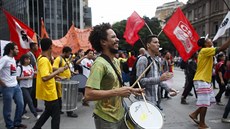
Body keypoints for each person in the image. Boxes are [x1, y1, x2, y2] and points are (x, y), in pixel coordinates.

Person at [84, 23, 144, 129]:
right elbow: (88, 95)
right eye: (113, 37)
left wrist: (131, 90)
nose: (117, 39)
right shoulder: (99, 64)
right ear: (103, 42)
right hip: (106, 118)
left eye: (116, 36)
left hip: (120, 112)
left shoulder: (116, 61)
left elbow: (115, 86)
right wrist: (117, 92)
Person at [189, 35, 230, 129]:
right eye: (208, 40)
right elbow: (223, 47)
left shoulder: (207, 52)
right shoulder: (205, 50)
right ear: (205, 44)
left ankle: (194, 114)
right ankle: (201, 124)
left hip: (205, 80)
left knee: (208, 102)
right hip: (201, 79)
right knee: (204, 103)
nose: (211, 40)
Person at [32, 38, 67, 129]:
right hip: (49, 93)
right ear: (50, 47)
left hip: (48, 91)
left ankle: (36, 127)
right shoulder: (44, 60)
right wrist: (58, 70)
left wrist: (57, 76)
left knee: (48, 112)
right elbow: (45, 77)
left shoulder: (42, 58)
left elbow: (47, 73)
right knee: (56, 116)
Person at [136, 35, 178, 110]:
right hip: (145, 100)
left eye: (158, 42)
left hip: (156, 100)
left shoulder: (157, 61)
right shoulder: (143, 60)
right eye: (155, 42)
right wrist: (159, 79)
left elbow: (159, 81)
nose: (158, 44)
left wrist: (168, 89)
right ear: (148, 45)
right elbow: (140, 81)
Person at [0, 42, 27, 129]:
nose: (18, 51)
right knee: (7, 109)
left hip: (15, 86)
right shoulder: (4, 59)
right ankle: (9, 125)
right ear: (11, 50)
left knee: (21, 104)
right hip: (7, 87)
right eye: (16, 49)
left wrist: (15, 80)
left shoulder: (13, 59)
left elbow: (13, 72)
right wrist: (1, 82)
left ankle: (17, 122)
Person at [53, 46, 78, 117]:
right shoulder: (58, 59)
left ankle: (60, 110)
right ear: (65, 52)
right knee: (66, 97)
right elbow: (54, 68)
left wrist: (72, 72)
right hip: (61, 81)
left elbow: (66, 68)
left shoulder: (64, 59)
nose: (69, 55)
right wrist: (62, 70)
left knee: (64, 97)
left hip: (66, 80)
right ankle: (69, 112)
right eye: (69, 53)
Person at [17, 54, 40, 120]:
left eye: (29, 59)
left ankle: (22, 113)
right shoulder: (19, 67)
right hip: (23, 87)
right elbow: (17, 78)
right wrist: (26, 77)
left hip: (30, 86)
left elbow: (33, 73)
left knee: (25, 101)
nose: (28, 60)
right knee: (30, 100)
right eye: (26, 59)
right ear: (23, 60)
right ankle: (36, 115)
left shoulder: (30, 66)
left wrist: (36, 73)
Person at [27, 42, 43, 112]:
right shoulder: (29, 55)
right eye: (36, 46)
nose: (37, 47)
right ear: (33, 47)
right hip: (32, 77)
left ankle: (34, 106)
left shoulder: (33, 54)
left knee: (33, 93)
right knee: (32, 93)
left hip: (35, 76)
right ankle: (33, 107)